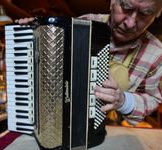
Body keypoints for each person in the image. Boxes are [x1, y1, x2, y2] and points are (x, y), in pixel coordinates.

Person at [15, 0, 162, 126]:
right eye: (126, 7)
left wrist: (124, 101)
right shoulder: (83, 23)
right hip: (59, 120)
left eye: (145, 14)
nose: (130, 24)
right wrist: (35, 42)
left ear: (155, 16)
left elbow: (153, 99)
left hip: (108, 129)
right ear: (112, 2)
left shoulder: (156, 53)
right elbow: (50, 72)